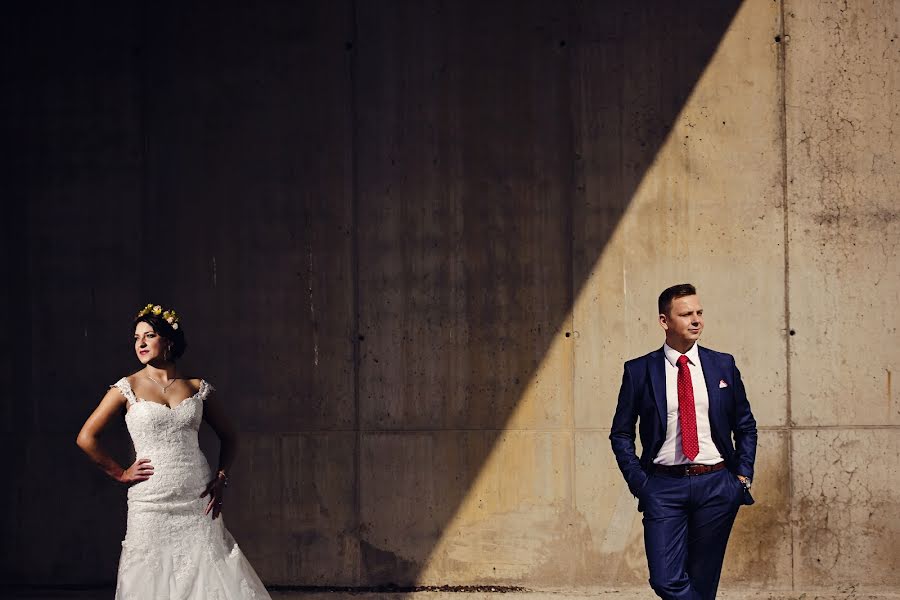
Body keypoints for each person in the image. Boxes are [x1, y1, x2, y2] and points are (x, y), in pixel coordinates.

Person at [76, 303, 271, 599]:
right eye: (136, 337)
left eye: (149, 335)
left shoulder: (196, 387)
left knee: (210, 574)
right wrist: (120, 473)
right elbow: (86, 437)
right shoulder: (126, 387)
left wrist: (221, 477)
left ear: (168, 340)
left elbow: (229, 437)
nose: (140, 343)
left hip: (197, 497)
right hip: (150, 500)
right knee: (148, 575)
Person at [609, 284, 757, 600]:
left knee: (703, 584)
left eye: (699, 313)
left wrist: (741, 478)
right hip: (663, 487)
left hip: (717, 484)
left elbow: (745, 426)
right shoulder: (639, 370)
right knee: (666, 581)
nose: (696, 320)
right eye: (686, 314)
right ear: (665, 321)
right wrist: (641, 484)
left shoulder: (723, 364)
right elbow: (621, 433)